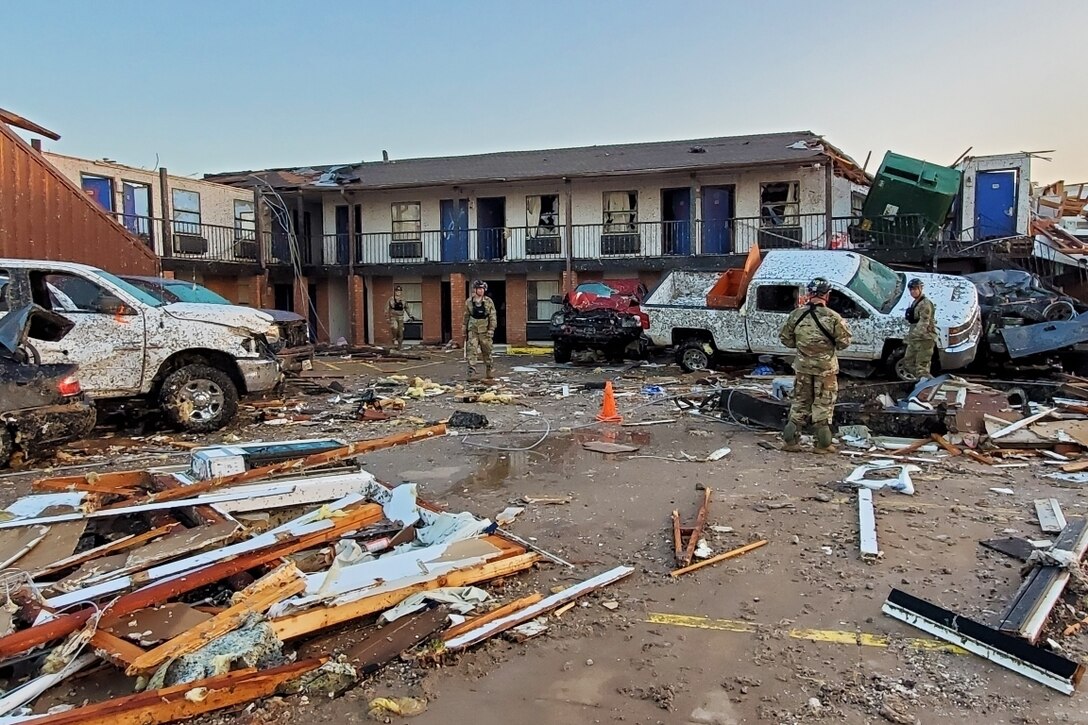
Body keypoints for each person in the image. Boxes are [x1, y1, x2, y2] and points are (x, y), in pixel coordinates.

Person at [778, 277, 852, 453]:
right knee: (823, 404)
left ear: (809, 294)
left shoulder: (796, 315)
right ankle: (822, 444)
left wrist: (804, 347)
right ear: (827, 295)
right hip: (825, 369)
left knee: (800, 402)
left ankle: (790, 441)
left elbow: (786, 339)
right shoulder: (833, 317)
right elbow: (844, 343)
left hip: (802, 367)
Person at [903, 278, 937, 381]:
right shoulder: (915, 302)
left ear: (920, 289)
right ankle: (921, 380)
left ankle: (927, 384)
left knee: (921, 367)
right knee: (908, 363)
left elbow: (924, 322)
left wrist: (913, 336)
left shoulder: (925, 304)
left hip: (925, 338)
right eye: (911, 289)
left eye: (915, 289)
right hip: (916, 338)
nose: (913, 291)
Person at [464, 279, 497, 380]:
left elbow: (492, 316)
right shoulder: (469, 302)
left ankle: (489, 369)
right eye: (479, 288)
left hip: (485, 331)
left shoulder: (488, 301)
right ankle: (471, 372)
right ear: (475, 289)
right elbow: (466, 316)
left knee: (487, 350)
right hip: (473, 330)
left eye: (483, 289)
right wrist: (464, 329)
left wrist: (491, 329)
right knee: (471, 350)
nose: (481, 291)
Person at [386, 285, 407, 350]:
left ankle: (399, 346)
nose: (398, 292)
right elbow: (386, 308)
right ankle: (394, 337)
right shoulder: (391, 299)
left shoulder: (403, 300)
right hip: (393, 317)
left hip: (400, 317)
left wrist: (411, 315)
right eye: (397, 291)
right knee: (394, 327)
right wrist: (387, 317)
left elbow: (407, 308)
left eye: (399, 291)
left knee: (400, 332)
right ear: (395, 292)